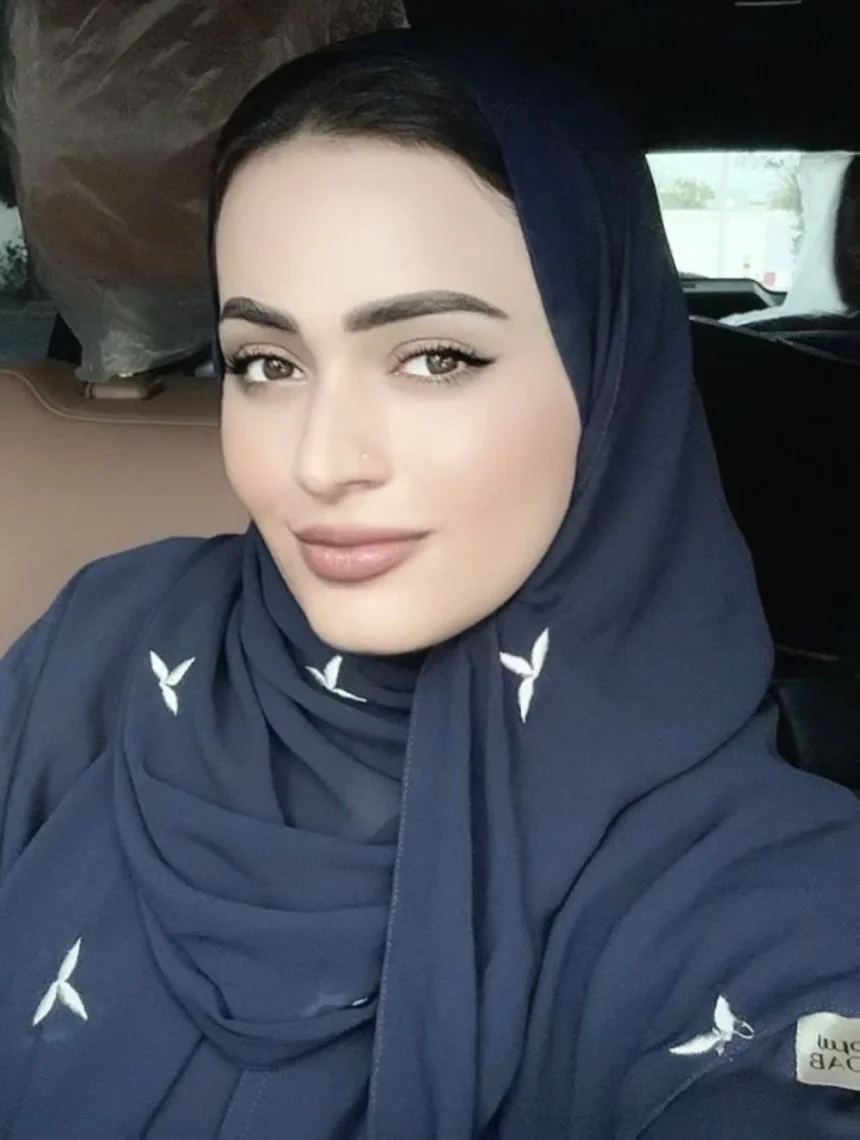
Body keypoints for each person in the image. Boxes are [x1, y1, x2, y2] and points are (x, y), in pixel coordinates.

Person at [0, 32, 858, 1140]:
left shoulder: (761, 899)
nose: (321, 462)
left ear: (608, 369)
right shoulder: (111, 637)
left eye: (434, 358)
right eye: (266, 363)